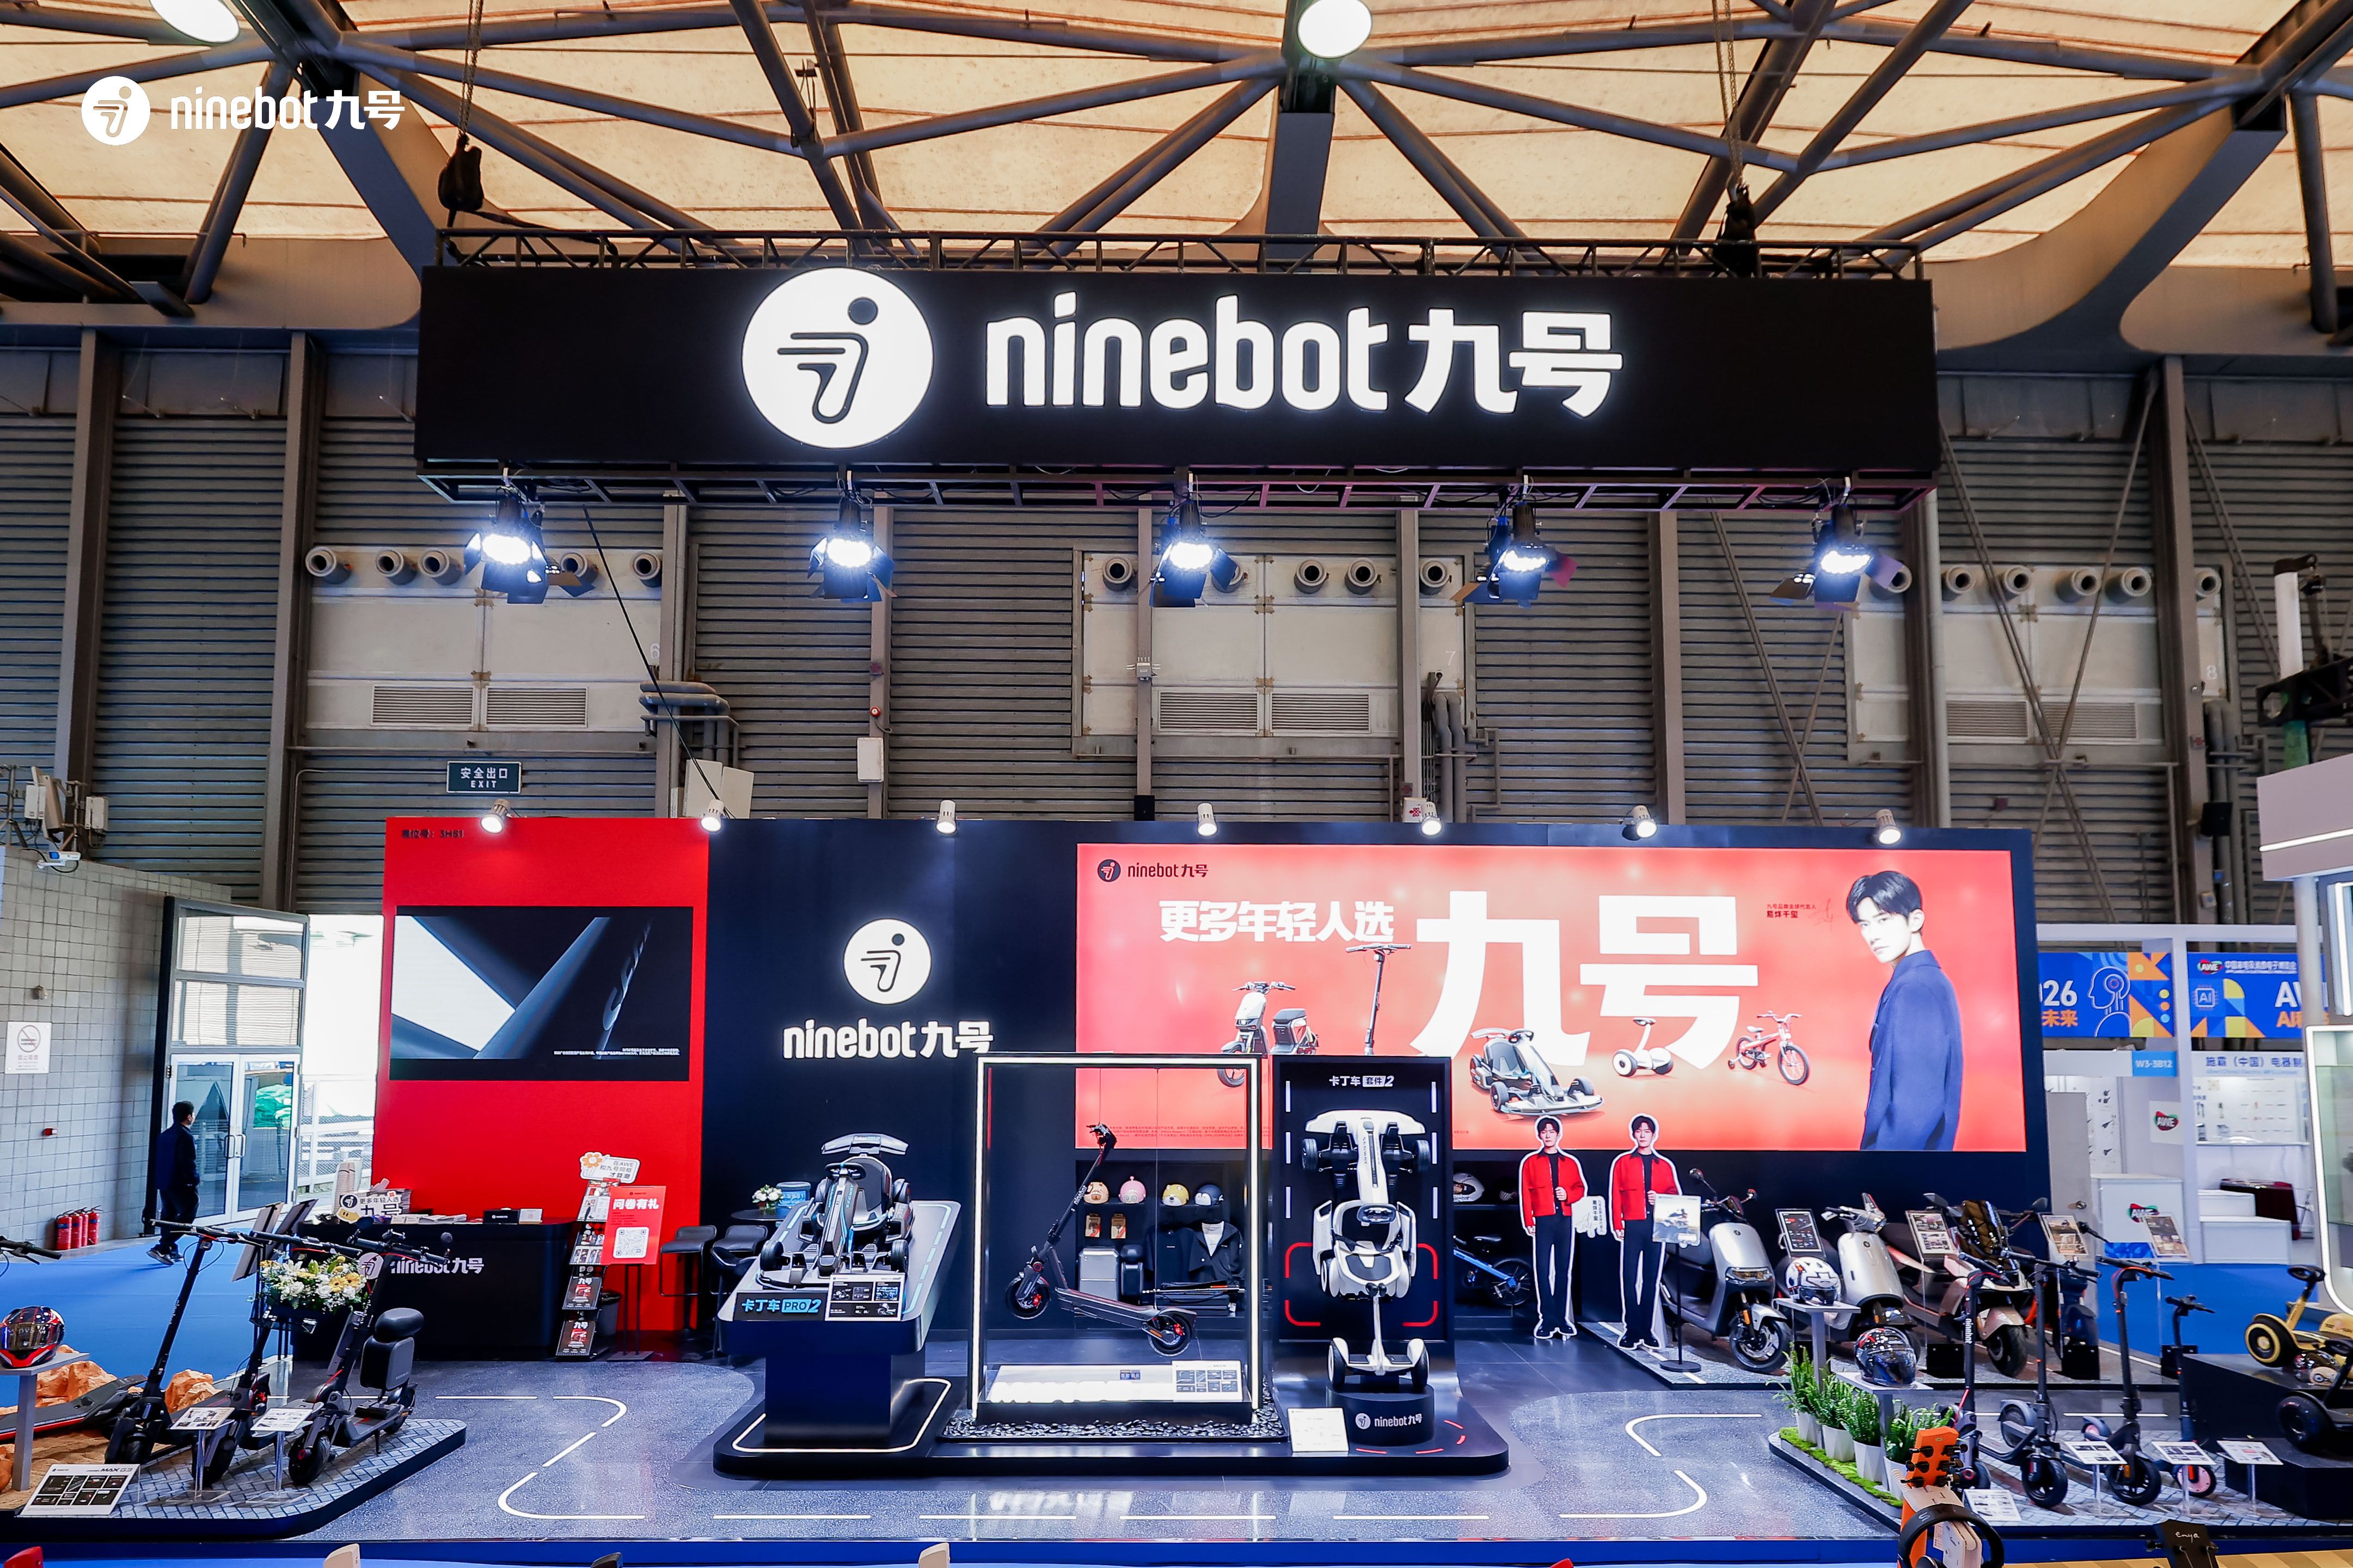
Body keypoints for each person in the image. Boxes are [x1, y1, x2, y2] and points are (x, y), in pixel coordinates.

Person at [1848, 869, 1964, 1152]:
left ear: (1915, 920)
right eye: (1865, 925)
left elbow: (1916, 1106)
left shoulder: (1916, 988)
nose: (1873, 935)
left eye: (1883, 920)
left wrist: (1879, 1167)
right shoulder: (1920, 980)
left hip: (1900, 1166)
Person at [1608, 1114, 1680, 1349]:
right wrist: (1618, 1224)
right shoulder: (1623, 1162)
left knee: (1651, 1280)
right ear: (1633, 1134)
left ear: (1654, 1135)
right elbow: (1616, 1195)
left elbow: (1675, 1197)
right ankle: (1631, 1329)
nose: (1642, 1135)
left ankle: (1647, 1330)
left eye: (1646, 1131)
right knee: (1629, 1278)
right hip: (1633, 1225)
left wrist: (1660, 1198)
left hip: (1657, 1226)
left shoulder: (1664, 1165)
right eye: (1638, 1131)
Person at [1517, 1115, 1585, 1341]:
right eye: (1544, 1132)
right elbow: (1526, 1193)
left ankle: (1561, 1318)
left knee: (1564, 1270)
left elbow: (1580, 1189)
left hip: (1564, 1220)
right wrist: (1529, 1220)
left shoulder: (1570, 1162)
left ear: (1558, 1134)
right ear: (1539, 1135)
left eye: (1551, 1132)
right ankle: (1547, 1319)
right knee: (1543, 1270)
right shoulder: (1531, 1162)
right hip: (1543, 1221)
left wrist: (1569, 1195)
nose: (1548, 1136)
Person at [149, 1101, 199, 1264]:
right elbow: (187, 1161)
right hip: (181, 1183)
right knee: (188, 1213)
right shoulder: (185, 1136)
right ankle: (163, 1247)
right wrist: (193, 1180)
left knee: (169, 1215)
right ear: (189, 1117)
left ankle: (170, 1249)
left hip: (165, 1182)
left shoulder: (165, 1135)